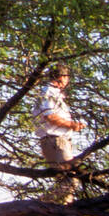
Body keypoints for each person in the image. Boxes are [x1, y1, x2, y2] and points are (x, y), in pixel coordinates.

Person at [32, 64, 84, 202]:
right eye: (67, 77)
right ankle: (38, 205)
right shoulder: (48, 92)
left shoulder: (54, 94)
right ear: (62, 77)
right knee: (70, 182)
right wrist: (72, 125)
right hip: (55, 141)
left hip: (61, 141)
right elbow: (50, 117)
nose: (68, 81)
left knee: (67, 186)